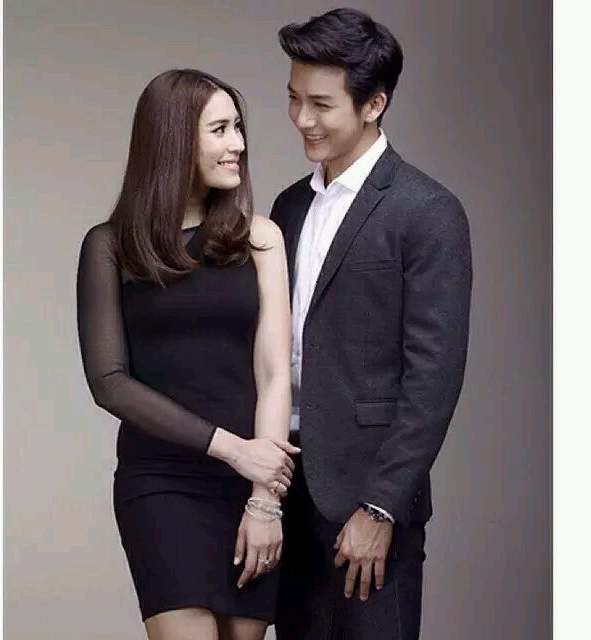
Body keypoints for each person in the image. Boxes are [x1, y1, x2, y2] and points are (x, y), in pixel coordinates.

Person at [269, 9, 473, 640]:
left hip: (369, 496)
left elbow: (433, 376)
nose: (302, 119)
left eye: (321, 104)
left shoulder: (427, 211)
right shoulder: (288, 206)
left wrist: (382, 505)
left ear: (373, 104)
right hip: (285, 487)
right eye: (294, 98)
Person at [76, 69, 297, 640]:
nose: (238, 144)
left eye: (239, 128)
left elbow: (275, 374)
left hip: (251, 486)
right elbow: (109, 382)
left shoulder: (261, 238)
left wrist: (264, 499)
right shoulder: (110, 246)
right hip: (161, 481)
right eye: (220, 130)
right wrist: (233, 450)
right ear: (174, 140)